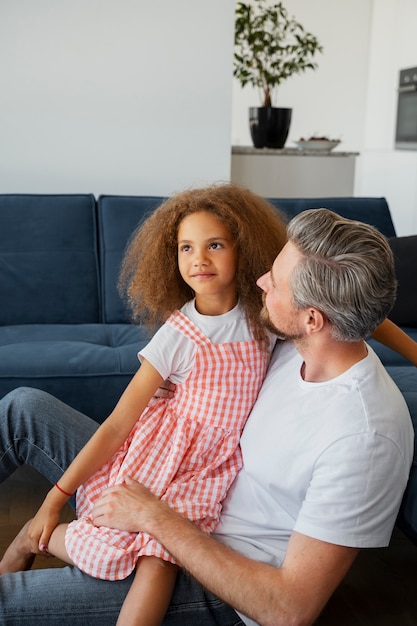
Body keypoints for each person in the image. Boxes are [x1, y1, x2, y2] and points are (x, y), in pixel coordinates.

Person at [0, 203, 414, 625]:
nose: (260, 281)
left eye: (275, 281)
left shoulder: (362, 436)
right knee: (23, 408)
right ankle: (45, 533)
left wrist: (154, 516)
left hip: (216, 570)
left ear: (312, 317)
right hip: (172, 464)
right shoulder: (301, 334)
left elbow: (289, 610)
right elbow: (357, 311)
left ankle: (45, 538)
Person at [0, 184, 287, 626]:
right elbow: (117, 424)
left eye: (215, 245)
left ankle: (44, 539)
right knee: (128, 553)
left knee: (159, 560)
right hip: (164, 458)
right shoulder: (179, 333)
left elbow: (351, 308)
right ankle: (39, 536)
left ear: (244, 249)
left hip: (208, 471)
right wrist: (52, 501)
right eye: (185, 247)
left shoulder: (264, 316)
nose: (199, 259)